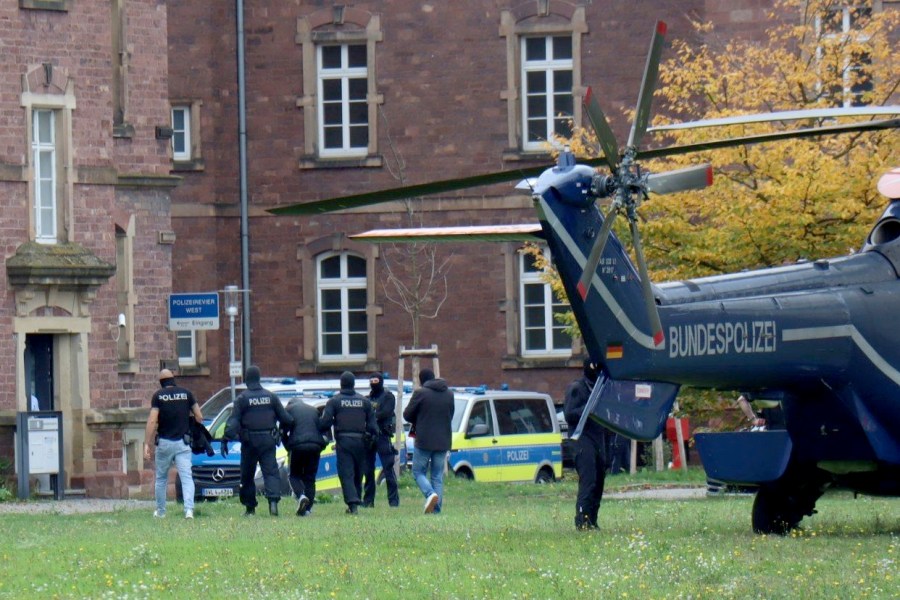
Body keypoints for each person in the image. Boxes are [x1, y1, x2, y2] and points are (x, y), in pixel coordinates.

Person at [222, 365, 293, 516]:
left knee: (247, 475)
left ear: (247, 379)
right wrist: (281, 432)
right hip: (268, 440)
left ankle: (250, 508)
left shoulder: (242, 399)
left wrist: (226, 438)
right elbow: (286, 418)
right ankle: (273, 504)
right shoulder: (271, 397)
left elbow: (234, 421)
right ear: (259, 378)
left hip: (249, 442)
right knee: (271, 473)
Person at [143, 369, 204, 519]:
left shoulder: (158, 396)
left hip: (164, 443)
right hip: (183, 444)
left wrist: (146, 443)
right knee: (186, 477)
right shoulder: (187, 394)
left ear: (161, 382)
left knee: (162, 478)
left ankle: (161, 511)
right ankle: (189, 510)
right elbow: (199, 416)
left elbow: (152, 420)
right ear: (173, 379)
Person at [320, 371, 378, 514]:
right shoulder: (365, 402)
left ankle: (352, 504)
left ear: (341, 384)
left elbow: (325, 423)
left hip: (344, 441)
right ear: (353, 384)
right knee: (358, 472)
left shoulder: (334, 401)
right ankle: (356, 499)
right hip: (361, 442)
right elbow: (373, 426)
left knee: (346, 473)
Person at [403, 368, 455, 514]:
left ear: (421, 380)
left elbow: (407, 415)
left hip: (424, 440)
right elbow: (450, 414)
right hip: (443, 440)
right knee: (437, 475)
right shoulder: (449, 394)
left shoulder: (420, 393)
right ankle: (436, 510)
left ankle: (429, 494)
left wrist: (419, 419)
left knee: (418, 472)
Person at [563, 358, 607, 530]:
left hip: (598, 437)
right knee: (588, 479)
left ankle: (593, 519)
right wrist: (588, 410)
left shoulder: (601, 388)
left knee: (598, 480)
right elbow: (569, 414)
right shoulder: (577, 388)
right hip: (581, 438)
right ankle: (582, 520)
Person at [282, 397, 329, 516]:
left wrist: (288, 446)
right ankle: (308, 509)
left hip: (297, 446)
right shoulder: (313, 410)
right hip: (315, 446)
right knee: (310, 477)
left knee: (294, 475)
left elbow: (283, 431)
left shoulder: (288, 410)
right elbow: (322, 428)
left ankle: (300, 496)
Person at [362, 372, 400, 508]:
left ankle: (393, 502)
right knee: (368, 470)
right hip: (369, 435)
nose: (373, 384)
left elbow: (386, 412)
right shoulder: (367, 399)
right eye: (371, 381)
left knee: (388, 468)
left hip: (383, 435)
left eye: (376, 381)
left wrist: (371, 417)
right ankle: (368, 501)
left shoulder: (388, 397)